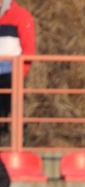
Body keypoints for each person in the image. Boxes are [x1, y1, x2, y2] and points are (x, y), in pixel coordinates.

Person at [0, 0, 35, 137]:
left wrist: (20, 74)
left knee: (16, 116)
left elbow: (29, 49)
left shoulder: (20, 15)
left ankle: (22, 145)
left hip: (12, 75)